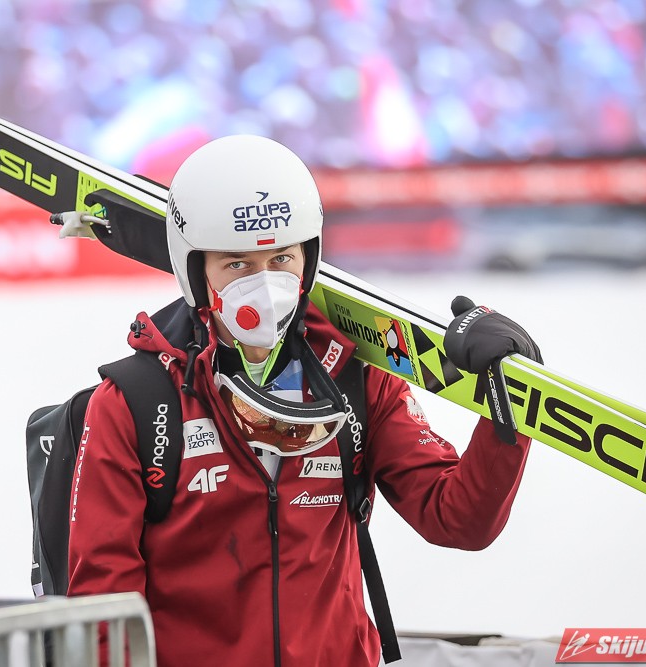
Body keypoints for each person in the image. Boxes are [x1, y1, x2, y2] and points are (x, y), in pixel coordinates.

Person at [67, 135, 541, 667]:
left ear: (308, 259)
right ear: (195, 271)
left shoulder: (356, 380)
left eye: (281, 259)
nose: (265, 287)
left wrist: (506, 401)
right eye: (237, 265)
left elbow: (457, 518)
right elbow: (104, 613)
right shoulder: (136, 403)